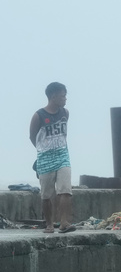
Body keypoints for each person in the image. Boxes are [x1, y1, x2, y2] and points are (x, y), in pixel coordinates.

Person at [29, 82, 74, 234]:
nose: (65, 99)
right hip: (45, 158)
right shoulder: (38, 115)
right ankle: (49, 224)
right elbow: (32, 136)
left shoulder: (65, 113)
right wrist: (42, 150)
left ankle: (64, 222)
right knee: (47, 194)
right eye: (63, 96)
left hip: (62, 156)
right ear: (53, 97)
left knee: (65, 190)